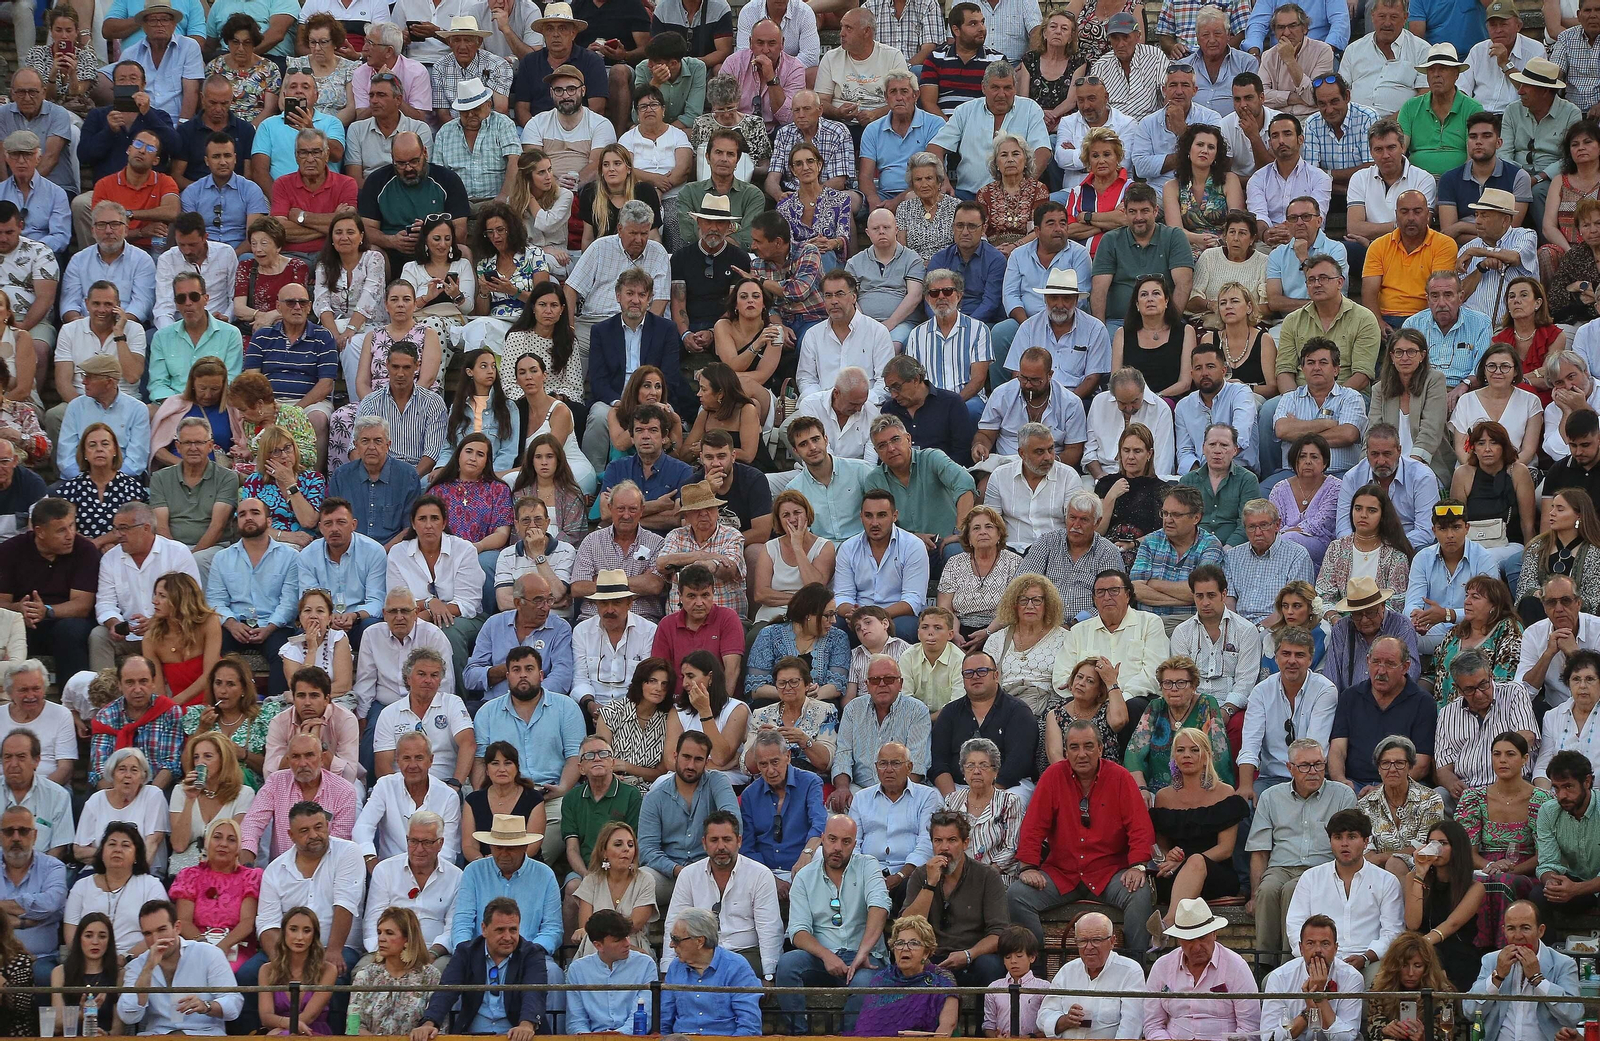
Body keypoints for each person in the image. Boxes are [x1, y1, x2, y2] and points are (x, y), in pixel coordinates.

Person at [1008, 719, 1155, 951]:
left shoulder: (1120, 777)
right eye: (1074, 747)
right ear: (1066, 752)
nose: (1082, 754)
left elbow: (1140, 827)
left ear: (1100, 748)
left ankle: (1137, 971)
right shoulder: (1053, 776)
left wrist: (1137, 866)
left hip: (1109, 872)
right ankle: (1035, 973)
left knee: (1139, 894)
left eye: (1088, 746)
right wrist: (1028, 867)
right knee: (1017, 894)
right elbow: (1033, 826)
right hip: (1063, 872)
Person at [418, 896, 547, 1041]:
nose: (507, 937)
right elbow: (446, 991)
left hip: (517, 1037)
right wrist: (429, 1022)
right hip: (473, 1036)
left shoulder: (531, 954)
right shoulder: (466, 952)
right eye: (500, 930)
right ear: (484, 929)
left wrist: (526, 1025)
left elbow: (534, 993)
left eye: (513, 930)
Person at [117, 899, 242, 1035]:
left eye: (161, 930)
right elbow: (128, 1015)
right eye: (148, 933)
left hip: (203, 1035)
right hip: (158, 1036)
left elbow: (234, 1004)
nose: (156, 939)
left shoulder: (209, 954)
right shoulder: (138, 965)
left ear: (177, 928)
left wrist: (206, 1006)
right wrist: (148, 969)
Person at [1464, 899, 1585, 1038]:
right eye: (1511, 929)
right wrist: (1497, 977)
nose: (1518, 936)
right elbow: (1470, 1012)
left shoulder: (1563, 964)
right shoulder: (1491, 961)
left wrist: (1538, 980)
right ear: (1504, 931)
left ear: (1540, 931)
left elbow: (1574, 1015)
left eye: (1525, 928)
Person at [1143, 897, 1260, 1036]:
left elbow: (1250, 1028)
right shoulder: (1162, 967)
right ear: (1179, 940)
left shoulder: (1236, 967)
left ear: (1214, 934)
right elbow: (1152, 1023)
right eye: (1189, 940)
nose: (1197, 947)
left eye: (1203, 938)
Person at [64, 821, 167, 957]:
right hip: (88, 962)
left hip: (136, 961)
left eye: (125, 845)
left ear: (137, 855)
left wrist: (124, 959)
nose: (117, 849)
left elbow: (160, 933)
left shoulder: (151, 886)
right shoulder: (82, 886)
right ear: (101, 852)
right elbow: (71, 933)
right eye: (112, 844)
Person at [1035, 911, 1146, 1037]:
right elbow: (1043, 1015)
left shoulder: (1130, 971)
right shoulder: (1067, 971)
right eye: (1082, 941)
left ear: (1112, 941)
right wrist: (1065, 1021)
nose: (1088, 947)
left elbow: (1131, 1027)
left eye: (1096, 940)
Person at [349, 906, 442, 1035]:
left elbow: (438, 1026)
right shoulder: (366, 975)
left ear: (407, 939)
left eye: (389, 933)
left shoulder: (430, 976)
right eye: (379, 932)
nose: (381, 938)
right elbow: (354, 1028)